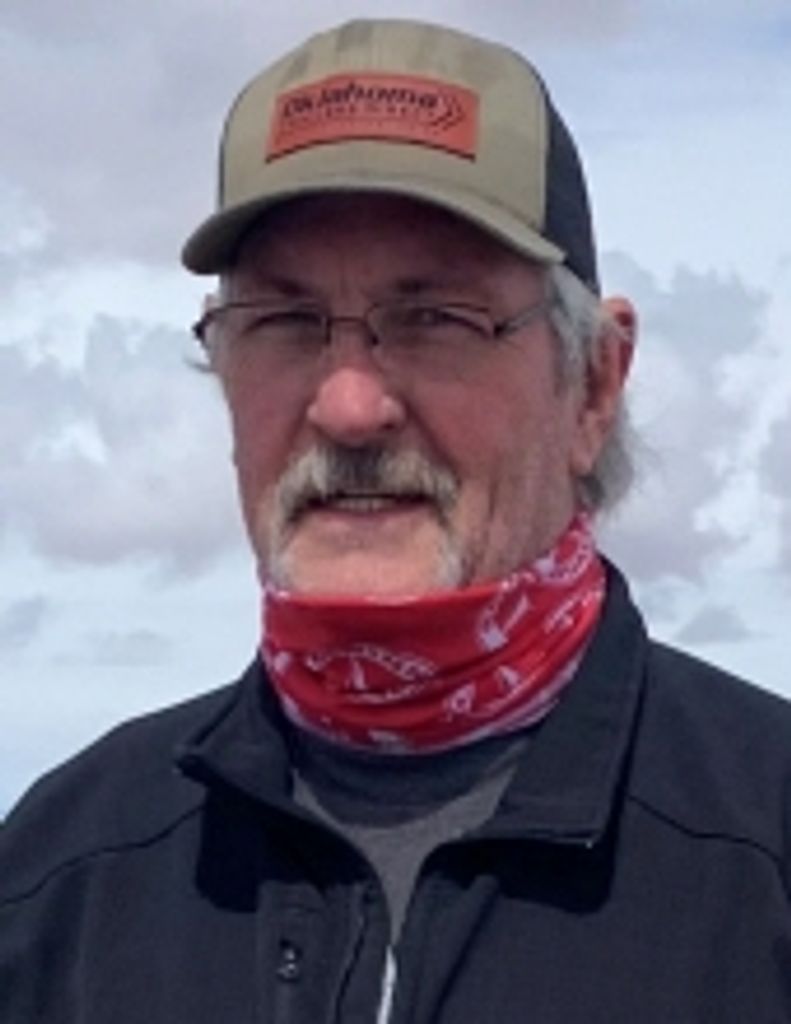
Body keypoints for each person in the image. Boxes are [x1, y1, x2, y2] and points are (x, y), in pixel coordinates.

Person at [2, 18, 790, 1023]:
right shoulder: (57, 882)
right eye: (282, 322)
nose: (348, 406)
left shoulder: (761, 852)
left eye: (435, 320)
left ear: (593, 384)